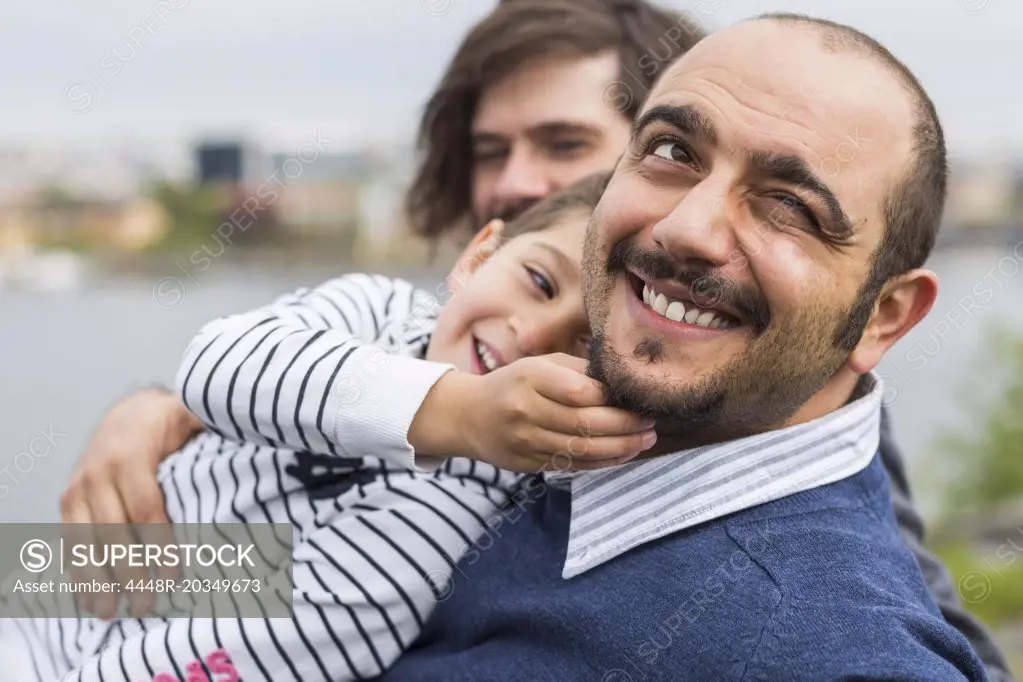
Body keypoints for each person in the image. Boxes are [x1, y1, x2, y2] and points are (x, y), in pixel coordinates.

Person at [56, 1, 1010, 679]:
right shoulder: (488, 388)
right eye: (675, 153)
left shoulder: (785, 571)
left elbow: (891, 625)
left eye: (563, 150)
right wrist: (157, 436)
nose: (515, 190)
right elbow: (194, 582)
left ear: (882, 317)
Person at [370, 13, 997, 681]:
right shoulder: (518, 388)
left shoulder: (826, 638)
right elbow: (297, 566)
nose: (687, 226)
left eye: (789, 203)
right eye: (673, 153)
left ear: (883, 317)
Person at [7, 173, 655, 682]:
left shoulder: (445, 518)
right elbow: (215, 366)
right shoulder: (377, 307)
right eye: (538, 281)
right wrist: (456, 410)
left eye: (582, 348)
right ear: (478, 255)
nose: (535, 333)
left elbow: (274, 636)